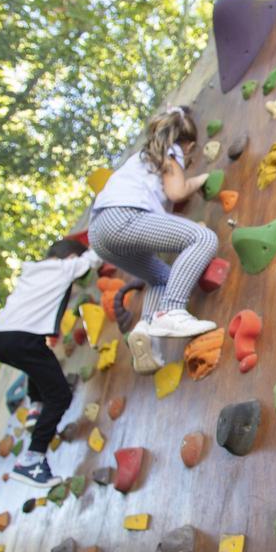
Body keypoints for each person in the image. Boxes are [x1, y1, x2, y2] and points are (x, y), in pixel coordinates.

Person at [89, 105, 218, 373]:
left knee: (160, 277)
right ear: (189, 144)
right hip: (123, 216)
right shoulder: (172, 152)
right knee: (202, 238)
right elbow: (177, 191)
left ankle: (146, 329)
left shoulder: (141, 158)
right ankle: (172, 310)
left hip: (100, 234)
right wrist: (200, 179)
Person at [0, 238, 100, 487]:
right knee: (60, 396)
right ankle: (32, 458)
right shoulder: (64, 268)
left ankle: (36, 407)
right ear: (71, 258)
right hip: (23, 338)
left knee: (39, 364)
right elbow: (95, 257)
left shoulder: (32, 273)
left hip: (0, 340)